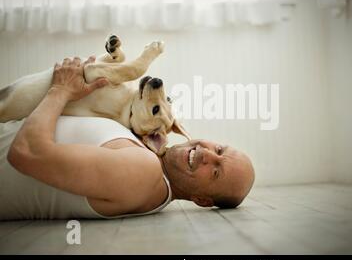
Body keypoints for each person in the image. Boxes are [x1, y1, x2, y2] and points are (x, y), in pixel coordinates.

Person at [0, 57, 255, 220]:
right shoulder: (148, 152)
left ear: (202, 201)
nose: (208, 155)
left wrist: (60, 89)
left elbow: (26, 152)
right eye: (220, 150)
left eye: (215, 172)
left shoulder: (144, 172)